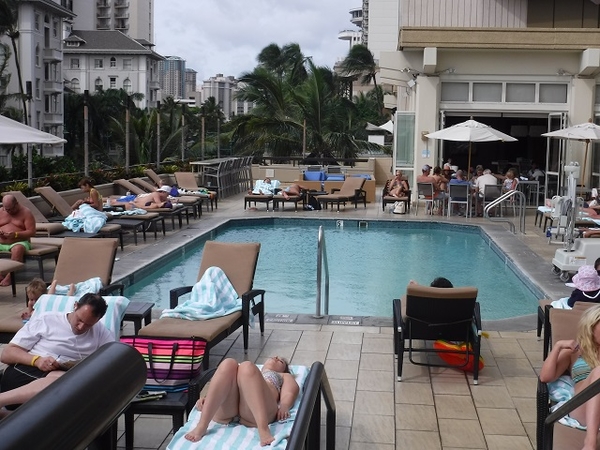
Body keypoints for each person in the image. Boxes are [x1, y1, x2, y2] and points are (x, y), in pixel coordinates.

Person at [0, 293, 113, 414]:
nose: (81, 327)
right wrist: (37, 360)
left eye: (88, 325)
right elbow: (6, 353)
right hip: (25, 371)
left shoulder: (101, 333)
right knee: (65, 383)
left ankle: (7, 416)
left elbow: (114, 358)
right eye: (79, 320)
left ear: (98, 320)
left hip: (64, 377)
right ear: (75, 306)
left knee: (73, 384)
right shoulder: (47, 320)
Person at [184, 356, 300, 446]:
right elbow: (221, 384)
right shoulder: (252, 372)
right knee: (228, 364)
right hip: (228, 411)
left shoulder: (283, 375)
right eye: (275, 357)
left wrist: (284, 405)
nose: (276, 358)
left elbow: (290, 391)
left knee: (247, 366)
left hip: (255, 413)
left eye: (280, 361)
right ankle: (202, 425)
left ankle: (263, 428)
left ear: (285, 369)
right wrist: (207, 398)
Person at [539, 304, 600, 450]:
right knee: (598, 372)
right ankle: (590, 442)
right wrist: (558, 347)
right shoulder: (575, 352)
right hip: (581, 407)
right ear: (591, 327)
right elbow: (545, 377)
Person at [0, 195, 36, 287]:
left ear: (16, 204)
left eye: (11, 209)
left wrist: (16, 234)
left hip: (19, 241)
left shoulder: (26, 212)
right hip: (1, 241)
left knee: (17, 249)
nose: (9, 211)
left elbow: (32, 232)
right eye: (6, 209)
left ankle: (10, 277)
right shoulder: (1, 212)